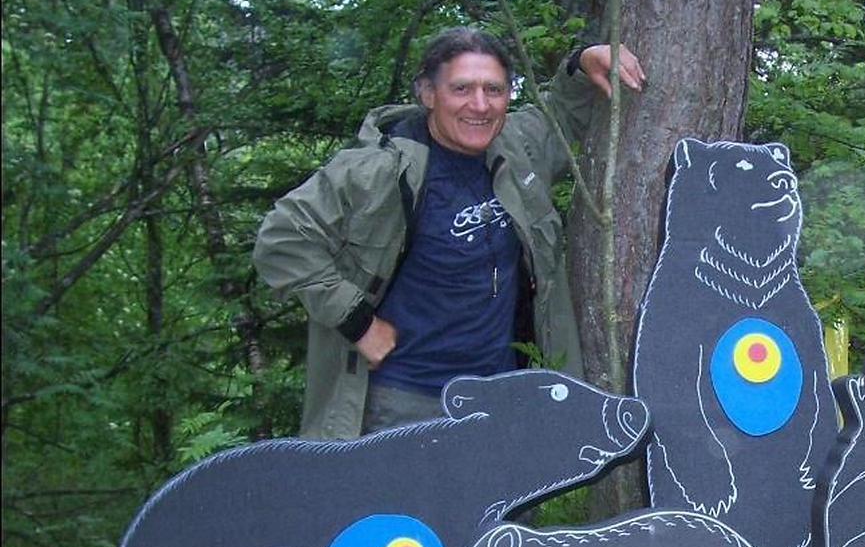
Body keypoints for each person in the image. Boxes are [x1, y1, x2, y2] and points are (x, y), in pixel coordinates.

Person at [254, 27, 645, 438]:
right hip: (402, 404)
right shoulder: (377, 171)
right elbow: (282, 239)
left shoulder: (514, 147)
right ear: (427, 93)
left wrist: (583, 61)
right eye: (461, 89)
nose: (480, 105)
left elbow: (562, 113)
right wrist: (358, 321)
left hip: (501, 400)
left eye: (494, 90)